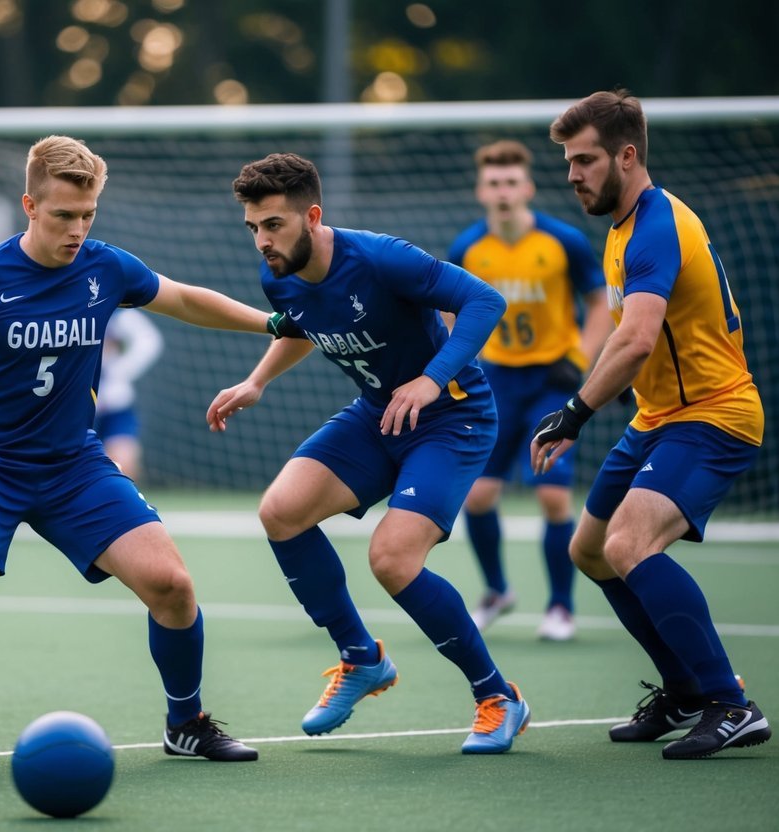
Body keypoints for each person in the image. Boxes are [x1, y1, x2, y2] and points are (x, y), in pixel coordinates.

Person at [0, 135, 284, 776]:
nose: (77, 229)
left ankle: (186, 724)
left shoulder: (106, 267)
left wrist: (274, 324)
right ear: (29, 204)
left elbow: (186, 299)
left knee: (172, 585)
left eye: (88, 215)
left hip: (73, 465)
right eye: (64, 215)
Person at [209, 152, 529, 755]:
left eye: (273, 224)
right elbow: (306, 326)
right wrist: (257, 381)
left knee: (392, 559)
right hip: (379, 414)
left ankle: (498, 698)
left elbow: (485, 301)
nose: (262, 240)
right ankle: (361, 659)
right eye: (252, 226)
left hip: (451, 417)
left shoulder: (381, 257)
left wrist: (432, 378)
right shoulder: (276, 274)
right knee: (281, 510)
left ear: (313, 215)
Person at [536, 89, 770, 759]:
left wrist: (574, 412)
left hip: (714, 413)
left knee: (629, 544)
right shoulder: (620, 229)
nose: (571, 175)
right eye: (567, 162)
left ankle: (730, 703)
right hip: (658, 417)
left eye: (582, 160)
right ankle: (684, 690)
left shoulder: (658, 224)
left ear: (627, 155)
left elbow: (636, 340)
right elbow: (630, 344)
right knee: (589, 548)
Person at [448, 140, 612, 640]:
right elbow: (448, 310)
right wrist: (455, 363)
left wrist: (579, 358)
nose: (503, 191)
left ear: (529, 187)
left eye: (512, 182)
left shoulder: (562, 241)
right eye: (494, 182)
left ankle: (561, 606)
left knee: (553, 499)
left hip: (551, 381)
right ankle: (497, 591)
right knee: (476, 496)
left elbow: (601, 301)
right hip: (495, 381)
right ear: (480, 190)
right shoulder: (468, 248)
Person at [93, 307, 164, 480]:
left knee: (123, 465)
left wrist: (119, 370)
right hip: (74, 406)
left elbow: (149, 340)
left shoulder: (112, 309)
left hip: (114, 404)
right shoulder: (58, 307)